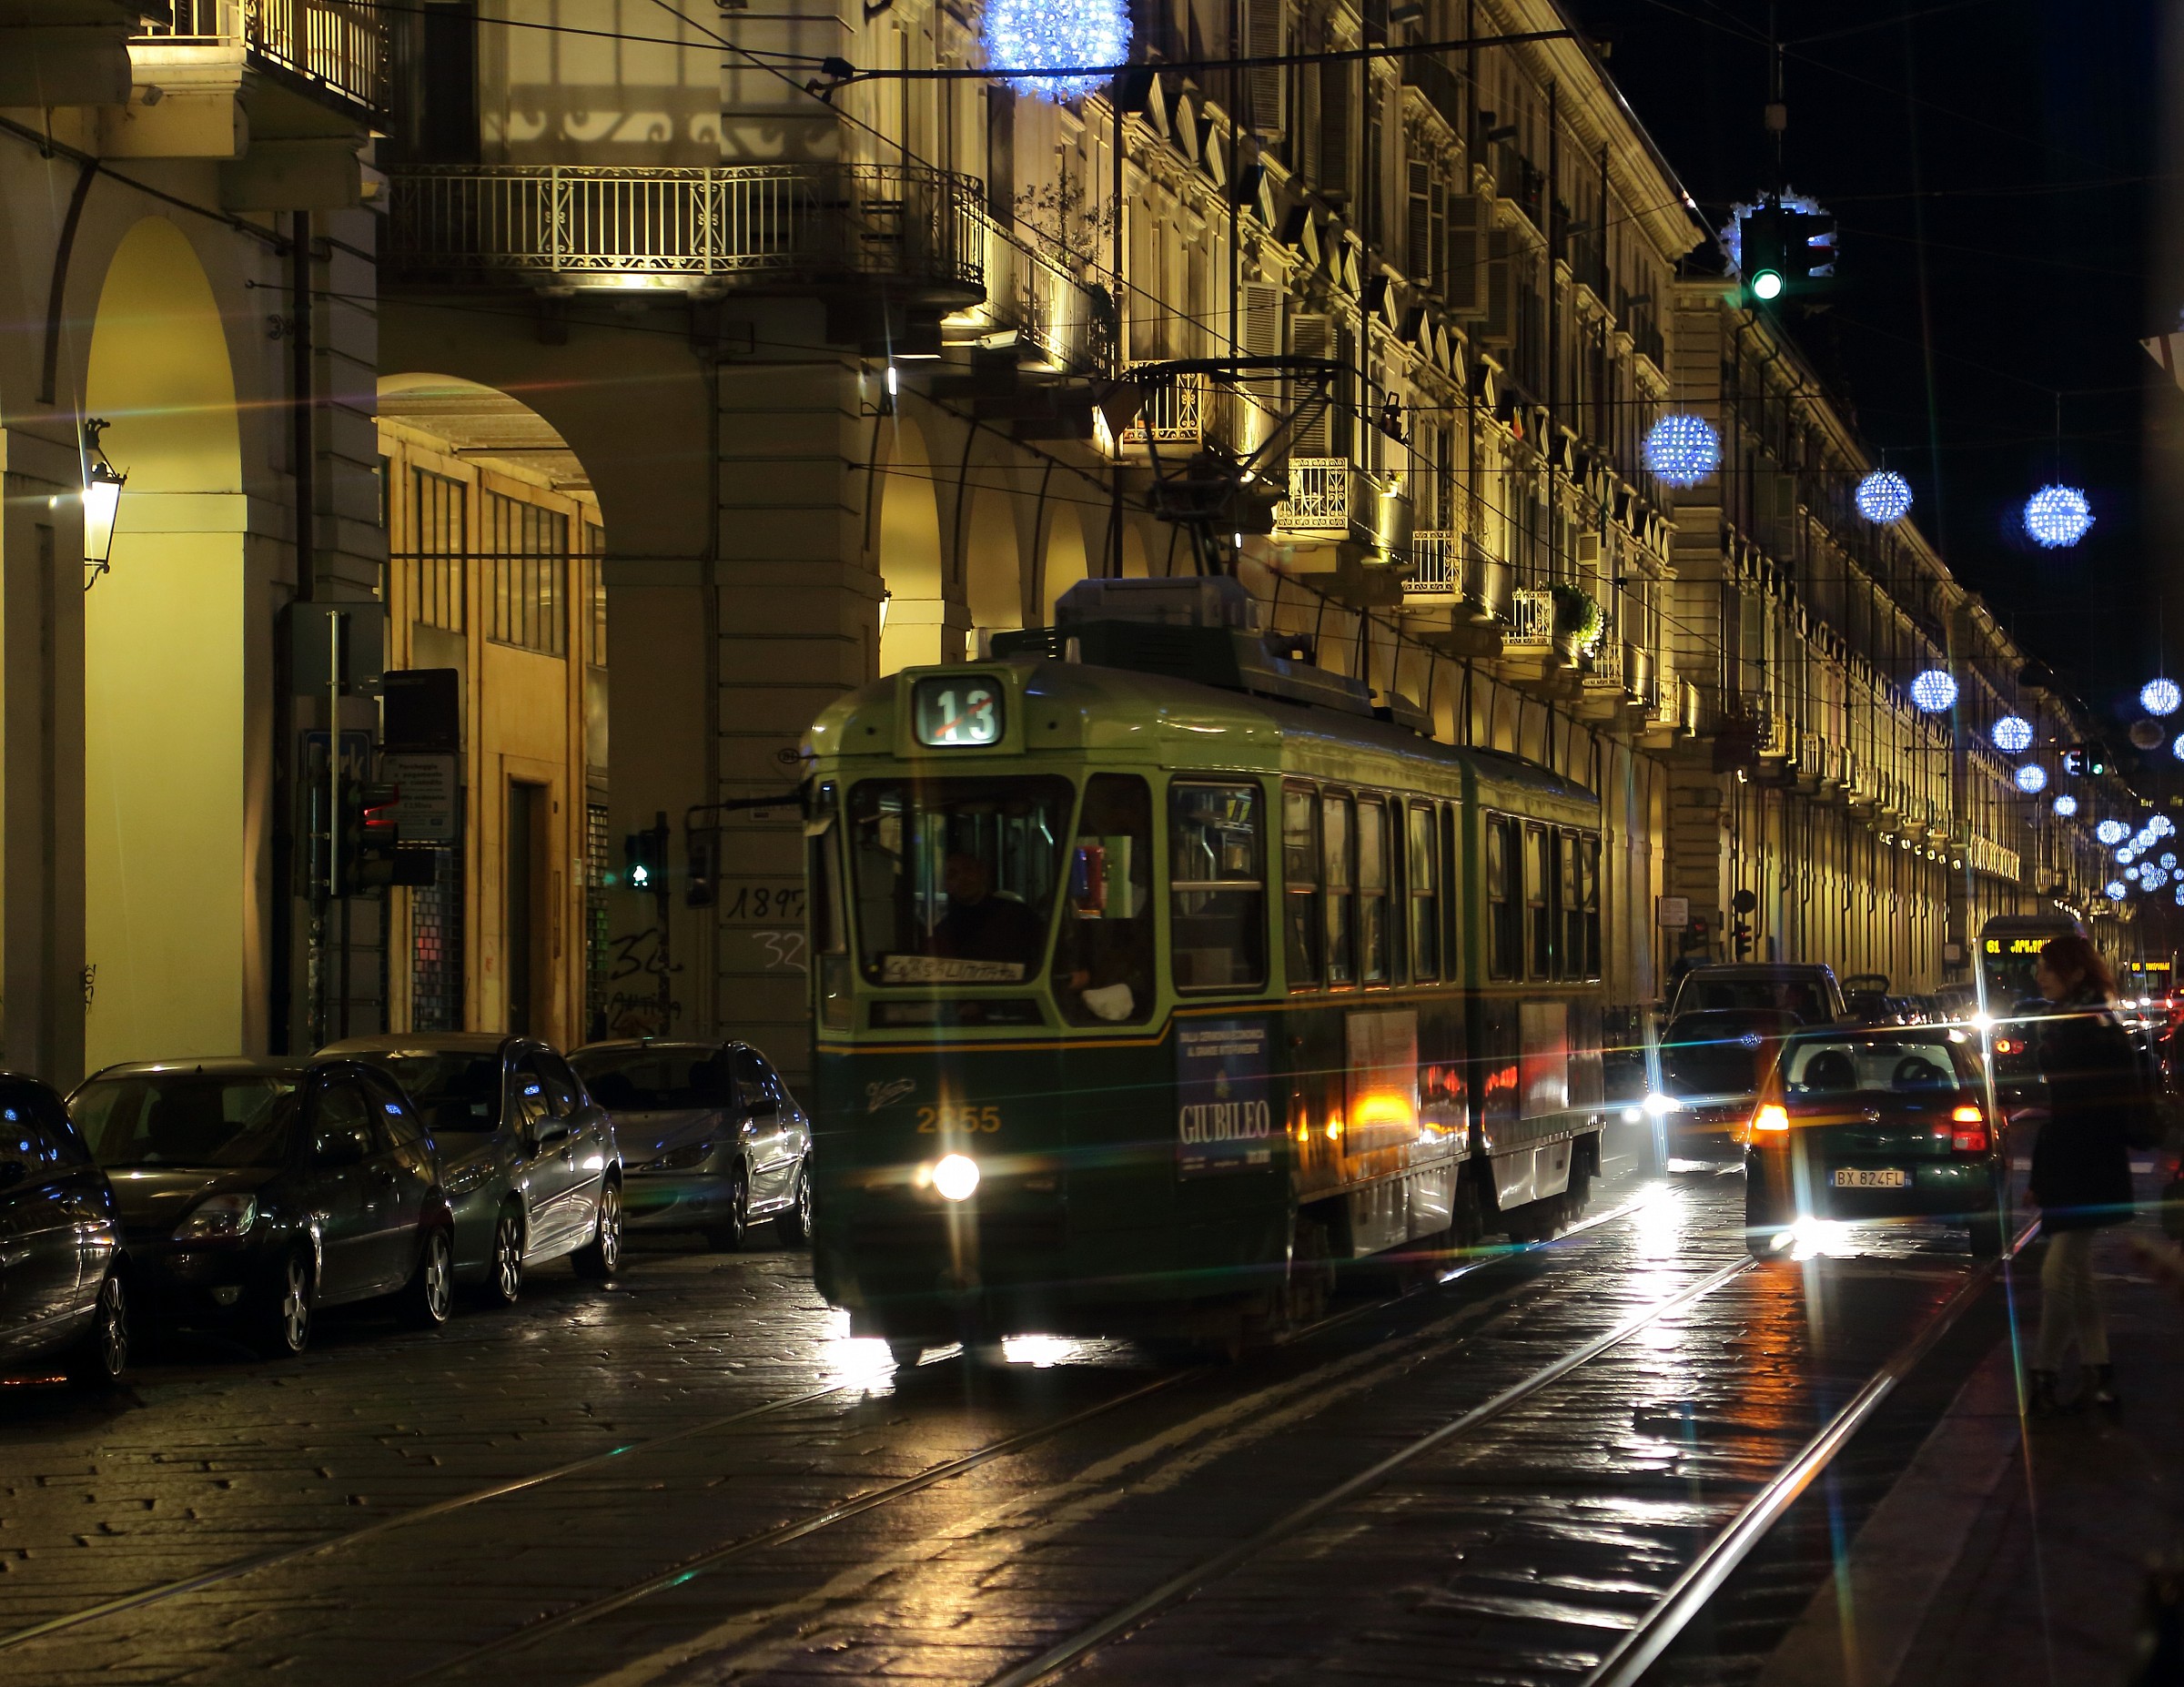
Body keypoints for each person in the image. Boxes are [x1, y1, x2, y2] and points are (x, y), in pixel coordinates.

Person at [2027, 932, 2140, 1413]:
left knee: (2057, 1275)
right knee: (2077, 1276)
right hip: (2089, 1165)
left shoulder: (2083, 1026)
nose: (2039, 977)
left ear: (2073, 974)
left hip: (2082, 1167)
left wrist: (2042, 1173)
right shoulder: (2092, 1020)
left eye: (2048, 969)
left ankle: (2049, 1374)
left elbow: (2079, 1110)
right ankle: (2090, 1374)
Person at [930, 851, 1045, 968]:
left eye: (968, 870)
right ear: (947, 885)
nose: (962, 878)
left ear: (983, 873)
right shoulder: (943, 931)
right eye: (953, 874)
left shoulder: (1019, 916)